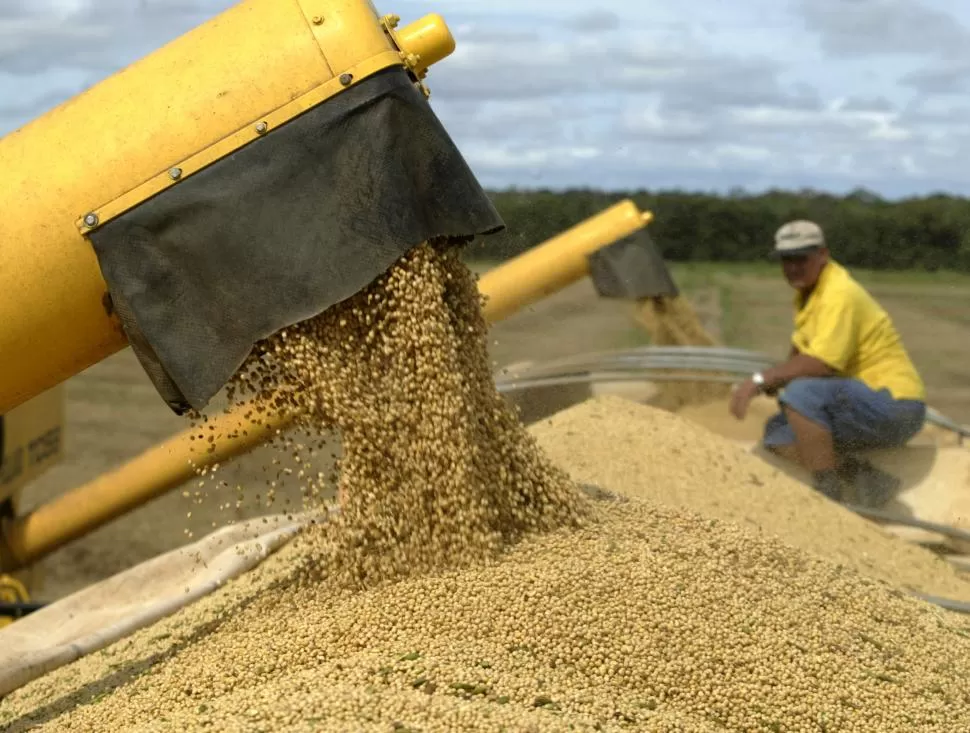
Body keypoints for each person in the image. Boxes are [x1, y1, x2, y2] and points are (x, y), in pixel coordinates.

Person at [728, 219, 927, 507]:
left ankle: (829, 496)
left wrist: (760, 380)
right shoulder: (809, 295)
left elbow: (822, 363)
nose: (793, 267)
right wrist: (778, 381)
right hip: (860, 407)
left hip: (894, 406)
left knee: (803, 393)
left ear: (822, 254)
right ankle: (864, 477)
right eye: (786, 260)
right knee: (778, 432)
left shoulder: (839, 293)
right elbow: (800, 353)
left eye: (801, 258)